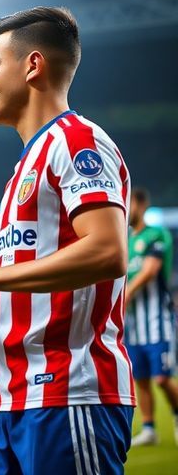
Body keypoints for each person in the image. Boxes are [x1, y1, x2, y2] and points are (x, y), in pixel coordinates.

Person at [0, 7, 135, 474]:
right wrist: (0, 405)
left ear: (33, 65)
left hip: (71, 394)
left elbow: (108, 249)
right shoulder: (24, 167)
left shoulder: (76, 140)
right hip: (17, 405)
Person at [124, 187, 178, 446]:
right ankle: (149, 429)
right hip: (134, 323)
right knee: (141, 378)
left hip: (158, 320)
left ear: (142, 204)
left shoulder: (157, 234)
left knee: (162, 378)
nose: (126, 207)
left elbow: (150, 271)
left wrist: (126, 293)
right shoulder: (125, 242)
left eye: (130, 202)